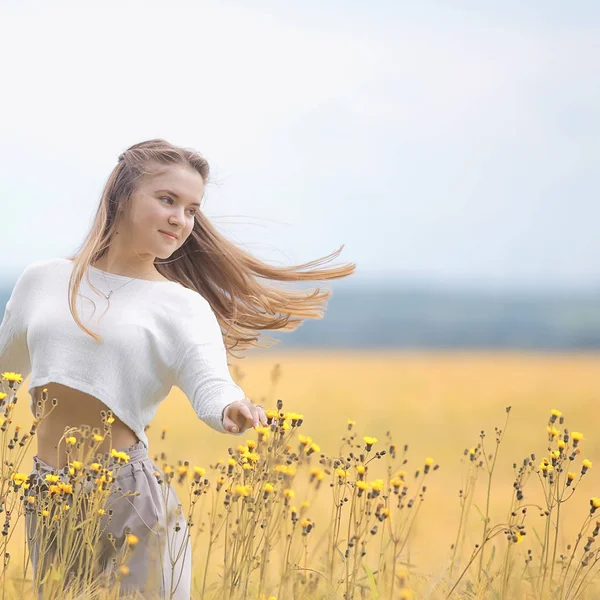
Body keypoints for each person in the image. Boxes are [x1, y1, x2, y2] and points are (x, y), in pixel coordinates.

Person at [0, 138, 355, 598]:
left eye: (191, 209)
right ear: (122, 196)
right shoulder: (42, 281)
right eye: (168, 200)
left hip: (130, 500)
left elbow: (211, 384)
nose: (180, 219)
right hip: (48, 496)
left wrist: (232, 408)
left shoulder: (181, 305)